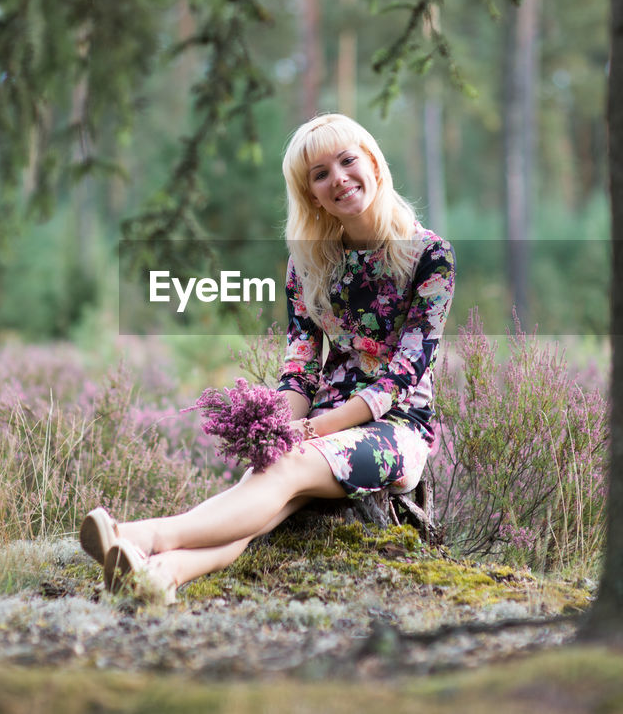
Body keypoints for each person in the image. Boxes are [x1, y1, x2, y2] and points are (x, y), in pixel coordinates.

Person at [81, 113, 456, 603]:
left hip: (398, 431)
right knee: (262, 492)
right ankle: (159, 577)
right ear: (312, 194)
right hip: (319, 426)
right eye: (320, 174)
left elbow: (401, 377)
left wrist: (308, 434)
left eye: (347, 161)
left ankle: (142, 536)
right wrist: (277, 428)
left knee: (284, 470)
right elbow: (300, 366)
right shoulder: (310, 262)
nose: (338, 178)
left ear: (375, 166)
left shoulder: (430, 256)